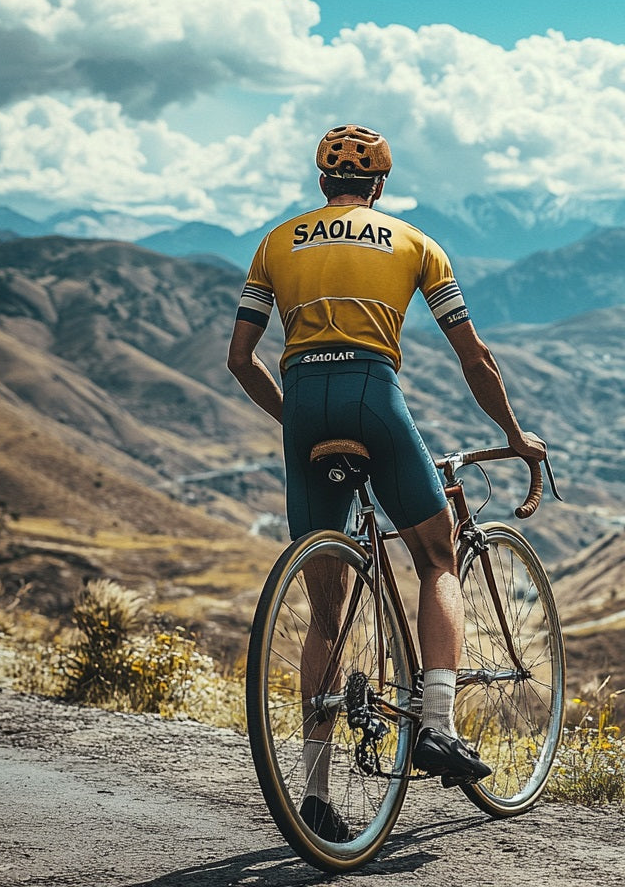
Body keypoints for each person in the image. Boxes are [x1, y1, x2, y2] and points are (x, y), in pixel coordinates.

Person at [227, 124, 546, 841]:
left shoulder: (277, 242)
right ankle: (435, 724)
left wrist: (293, 421)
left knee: (325, 611)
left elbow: (240, 358)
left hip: (304, 406)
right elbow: (474, 357)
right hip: (374, 395)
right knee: (435, 556)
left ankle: (311, 795)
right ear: (380, 187)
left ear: (320, 185)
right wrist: (516, 436)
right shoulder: (413, 242)